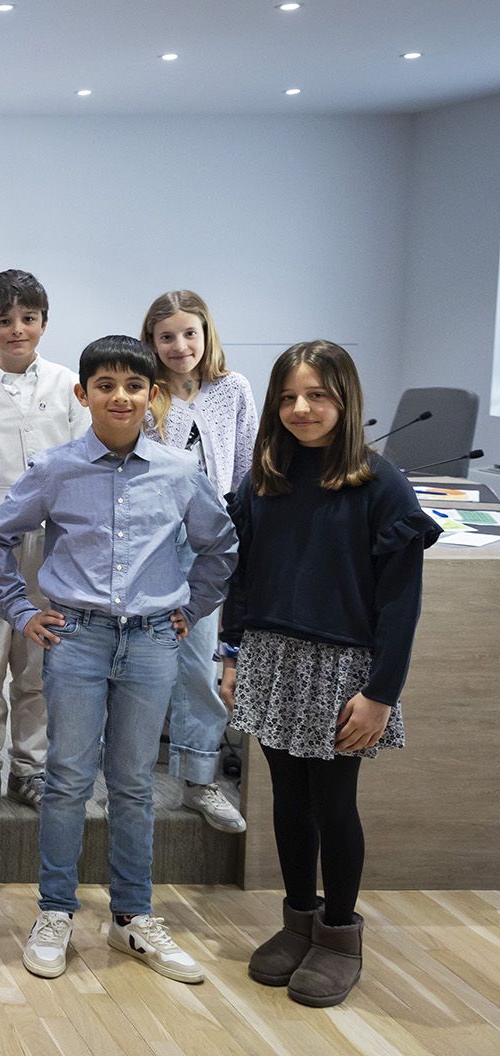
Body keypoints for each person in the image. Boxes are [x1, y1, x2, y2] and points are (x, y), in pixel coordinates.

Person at [0, 335, 236, 986]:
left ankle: (132, 917)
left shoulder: (178, 472)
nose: (119, 396)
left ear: (153, 394)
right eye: (105, 385)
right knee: (67, 779)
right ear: (82, 393)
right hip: (79, 638)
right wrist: (21, 610)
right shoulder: (56, 468)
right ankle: (56, 911)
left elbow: (221, 544)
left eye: (133, 385)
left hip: (152, 639)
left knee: (133, 783)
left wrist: (192, 607)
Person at [221, 340, 439, 1008]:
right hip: (271, 656)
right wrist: (230, 653)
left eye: (316, 395)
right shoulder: (266, 479)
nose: (301, 408)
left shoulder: (381, 483)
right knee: (286, 799)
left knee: (332, 802)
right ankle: (298, 921)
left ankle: (339, 935)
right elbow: (242, 575)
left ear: (344, 399)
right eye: (288, 397)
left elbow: (402, 603)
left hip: (345, 669)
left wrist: (380, 693)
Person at [0, 271, 85, 816]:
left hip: (53, 542)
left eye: (28, 319)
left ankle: (30, 766)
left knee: (38, 662)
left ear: (44, 324)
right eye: (5, 320)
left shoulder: (69, 386)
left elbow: (81, 464)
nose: (17, 329)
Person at [141, 290, 257, 833]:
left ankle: (198, 780)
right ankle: (127, 776)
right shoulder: (145, 392)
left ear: (206, 334)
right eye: (167, 336)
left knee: (198, 665)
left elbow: (248, 465)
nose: (179, 345)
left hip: (210, 544)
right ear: (152, 342)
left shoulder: (232, 390)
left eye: (190, 333)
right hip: (153, 543)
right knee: (137, 662)